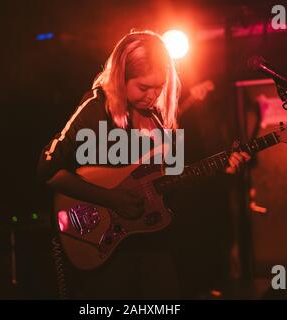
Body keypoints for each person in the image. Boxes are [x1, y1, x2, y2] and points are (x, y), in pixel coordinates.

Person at [37, 30, 250, 299]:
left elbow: (175, 179)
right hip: (105, 242)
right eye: (143, 87)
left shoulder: (158, 118)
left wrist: (224, 166)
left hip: (152, 239)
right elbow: (47, 170)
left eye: (159, 87)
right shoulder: (95, 107)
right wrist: (111, 198)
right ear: (120, 79)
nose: (152, 96)